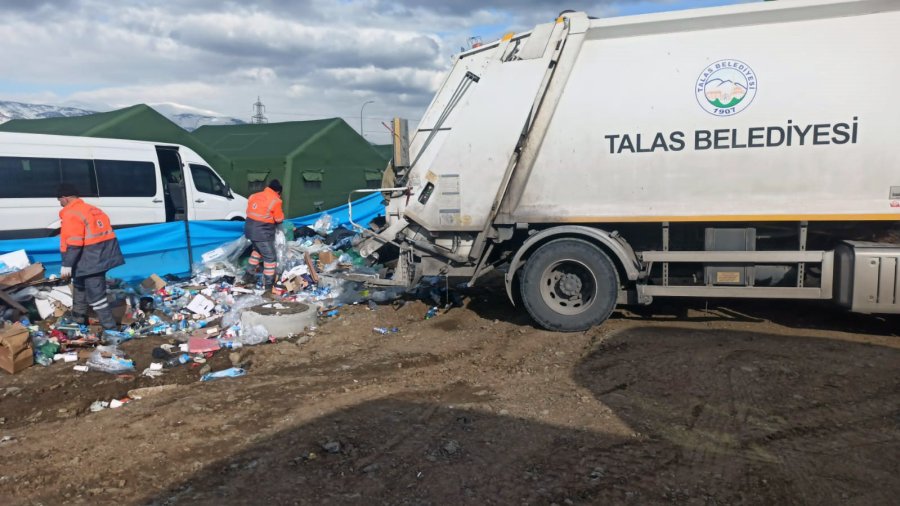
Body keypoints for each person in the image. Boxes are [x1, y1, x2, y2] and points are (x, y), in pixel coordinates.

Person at [56, 183, 125, 330]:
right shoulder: (93, 210)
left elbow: (74, 243)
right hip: (100, 256)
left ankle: (110, 328)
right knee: (79, 286)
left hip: (89, 260)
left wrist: (67, 264)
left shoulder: (72, 213)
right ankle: (78, 319)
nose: (60, 204)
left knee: (96, 296)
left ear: (65, 198)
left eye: (59, 200)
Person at [244, 179, 285, 290]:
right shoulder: (276, 200)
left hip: (249, 229)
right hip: (262, 232)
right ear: (278, 192)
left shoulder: (254, 196)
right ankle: (268, 285)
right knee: (270, 258)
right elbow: (279, 219)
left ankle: (248, 276)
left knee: (257, 252)